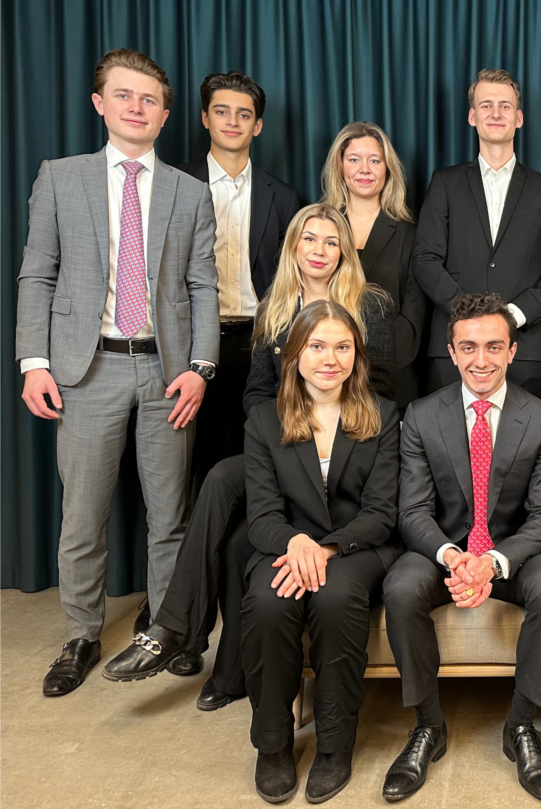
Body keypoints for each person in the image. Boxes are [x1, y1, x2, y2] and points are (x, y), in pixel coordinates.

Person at [101, 204, 395, 713]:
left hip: (343, 442)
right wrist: (291, 429)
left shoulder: (369, 307)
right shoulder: (275, 307)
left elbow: (380, 388)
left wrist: (320, 426)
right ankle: (179, 630)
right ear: (293, 247)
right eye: (310, 239)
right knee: (220, 481)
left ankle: (198, 645)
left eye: (332, 241)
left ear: (345, 251)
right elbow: (257, 394)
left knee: (240, 542)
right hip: (283, 439)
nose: (320, 250)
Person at [16, 48, 218, 697]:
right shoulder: (60, 177)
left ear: (164, 114)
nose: (137, 107)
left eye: (150, 99)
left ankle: (166, 627)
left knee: (171, 514)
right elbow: (37, 273)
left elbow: (202, 284)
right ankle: (81, 631)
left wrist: (200, 369)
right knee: (82, 513)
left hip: (166, 371)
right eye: (124, 96)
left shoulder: (190, 192)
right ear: (101, 103)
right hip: (86, 366)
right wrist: (34, 362)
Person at [380, 293, 541, 802]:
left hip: (512, 551)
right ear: (451, 351)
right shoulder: (421, 416)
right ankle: (428, 726)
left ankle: (522, 726)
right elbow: (412, 511)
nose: (480, 360)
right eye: (468, 347)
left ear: (512, 351)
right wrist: (453, 556)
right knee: (400, 588)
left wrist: (492, 561)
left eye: (492, 347)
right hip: (445, 549)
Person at [240, 300, 401, 803]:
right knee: (268, 603)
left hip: (358, 548)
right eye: (317, 346)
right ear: (294, 354)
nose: (330, 358)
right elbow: (262, 515)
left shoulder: (383, 414)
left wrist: (327, 549)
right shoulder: (265, 420)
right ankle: (272, 745)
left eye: (342, 346)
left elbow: (380, 513)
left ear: (357, 354)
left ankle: (334, 745)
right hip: (287, 545)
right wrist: (297, 543)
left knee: (334, 600)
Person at [412, 69, 541, 400]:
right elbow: (425, 259)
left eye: (505, 106)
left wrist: (513, 315)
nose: (496, 113)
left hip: (524, 348)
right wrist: (468, 312)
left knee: (520, 450)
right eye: (486, 105)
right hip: (454, 348)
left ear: (518, 118)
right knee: (449, 449)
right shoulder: (445, 182)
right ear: (473, 117)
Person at [176, 70, 301, 486]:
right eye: (222, 111)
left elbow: (290, 279)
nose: (233, 121)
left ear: (258, 125)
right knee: (190, 467)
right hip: (190, 346)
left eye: (244, 114)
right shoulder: (174, 185)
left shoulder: (281, 196)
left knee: (258, 466)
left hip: (259, 344)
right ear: (205, 118)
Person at [322, 121, 429, 409]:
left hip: (395, 377)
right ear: (340, 168)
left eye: (374, 160)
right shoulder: (321, 230)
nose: (364, 169)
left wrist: (374, 365)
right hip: (328, 375)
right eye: (354, 159)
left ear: (387, 169)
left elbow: (415, 315)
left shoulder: (411, 234)